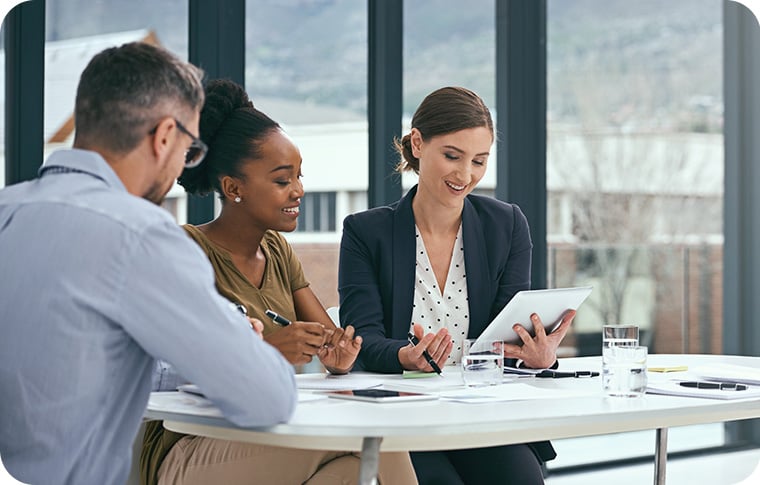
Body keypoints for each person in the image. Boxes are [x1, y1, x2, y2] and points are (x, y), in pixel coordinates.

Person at [0, 43, 297, 485]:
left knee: (351, 470)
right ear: (163, 137)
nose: (184, 164)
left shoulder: (8, 210)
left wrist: (201, 349)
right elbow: (269, 398)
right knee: (366, 447)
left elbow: (79, 364)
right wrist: (236, 337)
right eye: (189, 150)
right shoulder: (140, 232)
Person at [140, 79, 417, 485]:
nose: (299, 190)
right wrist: (267, 350)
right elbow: (166, 369)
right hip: (188, 447)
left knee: (352, 471)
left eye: (299, 176)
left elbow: (330, 340)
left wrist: (337, 358)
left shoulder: (278, 251)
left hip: (267, 432)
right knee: (375, 435)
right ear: (233, 188)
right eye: (282, 180)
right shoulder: (184, 251)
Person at [338, 86, 577, 485]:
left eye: (479, 161)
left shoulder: (507, 225)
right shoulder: (365, 232)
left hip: (480, 411)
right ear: (417, 143)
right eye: (452, 156)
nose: (465, 175)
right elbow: (363, 337)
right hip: (403, 413)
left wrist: (539, 357)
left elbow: (507, 336)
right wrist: (405, 356)